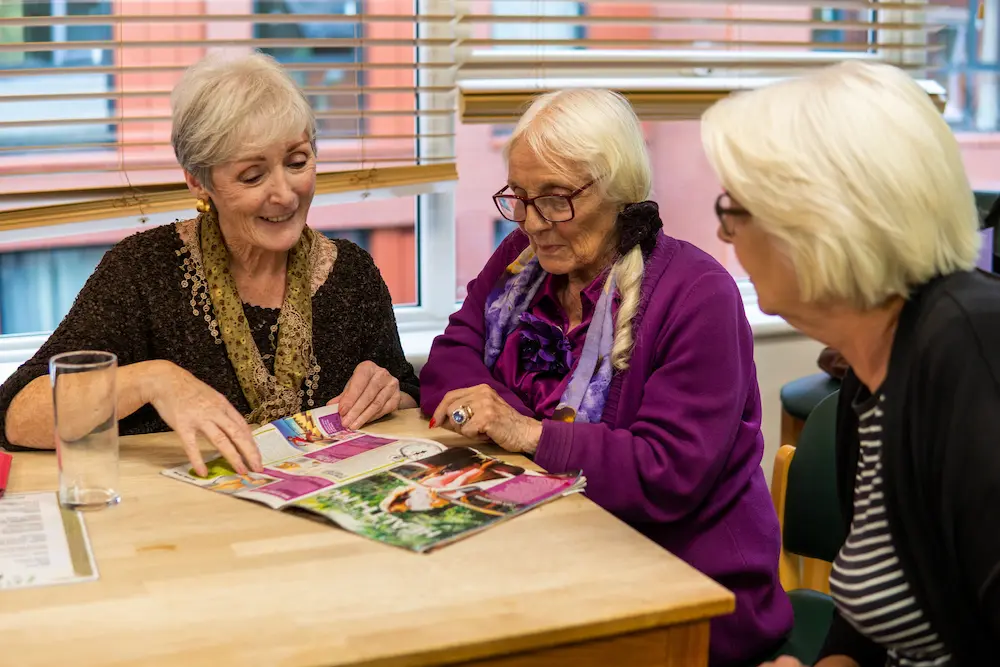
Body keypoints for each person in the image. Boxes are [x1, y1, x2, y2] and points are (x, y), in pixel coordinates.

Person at [419, 88, 792, 666]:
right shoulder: (521, 261)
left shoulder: (698, 295)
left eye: (555, 199)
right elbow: (450, 360)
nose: (533, 222)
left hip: (685, 590)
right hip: (546, 557)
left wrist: (528, 433)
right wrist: (491, 417)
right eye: (518, 197)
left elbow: (666, 473)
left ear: (618, 190)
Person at [701, 61, 1000, 667]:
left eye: (735, 208)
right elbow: (883, 617)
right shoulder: (871, 378)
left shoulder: (970, 355)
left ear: (814, 222)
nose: (725, 233)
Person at [0, 52, 418, 477]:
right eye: (252, 176)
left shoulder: (352, 273)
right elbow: (18, 415)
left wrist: (389, 393)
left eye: (297, 162)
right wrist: (152, 380)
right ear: (198, 181)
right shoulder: (144, 270)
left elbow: (406, 392)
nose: (286, 195)